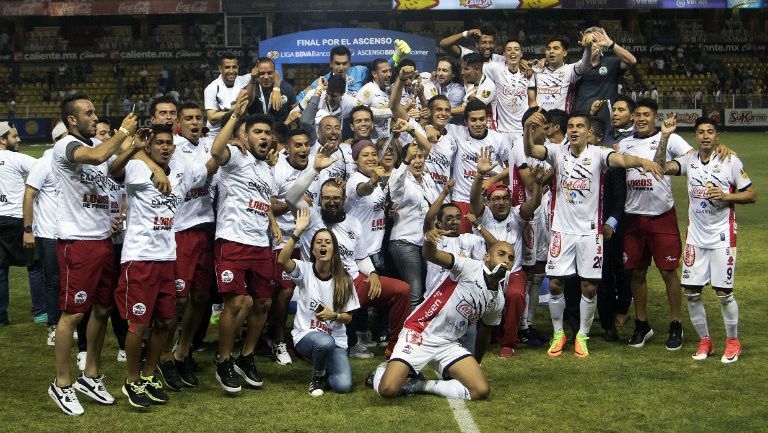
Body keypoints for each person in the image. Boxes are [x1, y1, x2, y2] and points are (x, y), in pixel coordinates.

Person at [47, 94, 162, 416]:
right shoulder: (66, 145)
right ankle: (62, 383)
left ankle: (91, 375)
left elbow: (113, 171)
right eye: (89, 113)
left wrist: (133, 145)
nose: (94, 117)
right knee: (72, 315)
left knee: (101, 309)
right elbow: (97, 157)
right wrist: (123, 133)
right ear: (72, 120)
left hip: (103, 241)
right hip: (77, 242)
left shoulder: (93, 146)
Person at [524, 109, 663, 358]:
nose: (574, 130)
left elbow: (621, 160)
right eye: (571, 126)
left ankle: (582, 336)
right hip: (562, 231)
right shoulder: (557, 152)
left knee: (589, 287)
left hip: (590, 233)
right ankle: (559, 334)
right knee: (556, 284)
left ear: (589, 133)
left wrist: (644, 162)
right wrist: (527, 130)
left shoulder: (598, 154)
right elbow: (532, 151)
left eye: (579, 126)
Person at [109, 124, 214, 408]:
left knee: (167, 321)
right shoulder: (136, 168)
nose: (165, 147)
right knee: (139, 325)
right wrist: (138, 153)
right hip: (140, 258)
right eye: (159, 143)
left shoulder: (180, 174)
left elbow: (211, 164)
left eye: (169, 143)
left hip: (168, 257)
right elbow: (114, 169)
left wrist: (233, 135)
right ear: (149, 146)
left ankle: (148, 375)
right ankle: (131, 381)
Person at [285, 151, 410, 359]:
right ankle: (339, 344)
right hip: (322, 284)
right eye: (326, 198)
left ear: (344, 199)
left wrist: (372, 274)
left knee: (402, 290)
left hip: (353, 279)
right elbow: (290, 197)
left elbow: (360, 257)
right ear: (320, 200)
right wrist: (314, 169)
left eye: (336, 198)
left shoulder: (354, 222)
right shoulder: (311, 216)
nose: (331, 202)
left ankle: (394, 347)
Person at [373, 229, 512, 401]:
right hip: (420, 332)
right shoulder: (469, 267)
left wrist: (477, 363)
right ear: (487, 257)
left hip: (448, 344)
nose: (506, 260)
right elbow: (431, 255)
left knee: (481, 390)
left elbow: (486, 331)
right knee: (388, 389)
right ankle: (381, 369)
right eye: (501, 254)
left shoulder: (498, 299)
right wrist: (429, 241)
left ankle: (419, 385)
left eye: (511, 258)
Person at [617, 99, 710, 350]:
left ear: (655, 117)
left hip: (661, 215)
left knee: (668, 272)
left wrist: (723, 151)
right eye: (637, 115)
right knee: (636, 272)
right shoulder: (625, 143)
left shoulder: (670, 138)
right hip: (633, 217)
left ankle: (676, 323)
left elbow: (696, 155)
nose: (641, 118)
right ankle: (642, 324)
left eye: (646, 114)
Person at [661, 117, 755, 364]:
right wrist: (665, 136)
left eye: (710, 132)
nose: (705, 136)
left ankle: (733, 342)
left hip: (722, 235)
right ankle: (705, 341)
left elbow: (751, 194)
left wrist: (726, 196)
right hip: (696, 237)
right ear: (695, 136)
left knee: (723, 292)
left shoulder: (730, 160)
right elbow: (661, 166)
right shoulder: (689, 161)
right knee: (692, 292)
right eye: (701, 132)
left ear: (717, 136)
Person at [209, 93, 281, 394]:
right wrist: (235, 116)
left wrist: (274, 222)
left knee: (263, 302)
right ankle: (223, 359)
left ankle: (246, 355)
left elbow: (266, 203)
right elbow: (215, 150)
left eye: (267, 133)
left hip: (260, 244)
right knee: (236, 302)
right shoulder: (236, 157)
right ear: (246, 136)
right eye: (258, 132)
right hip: (232, 241)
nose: (263, 137)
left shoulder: (269, 170)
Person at [160, 101, 217, 389]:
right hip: (180, 231)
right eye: (189, 118)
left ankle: (184, 351)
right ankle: (164, 355)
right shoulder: (175, 149)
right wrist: (217, 159)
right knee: (178, 299)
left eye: (199, 117)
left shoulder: (208, 144)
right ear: (179, 123)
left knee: (200, 297)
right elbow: (199, 176)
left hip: (206, 228)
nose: (195, 122)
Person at [469, 148, 545, 357]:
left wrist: (537, 185)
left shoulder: (517, 213)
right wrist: (479, 175)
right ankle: (484, 335)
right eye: (496, 199)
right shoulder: (482, 214)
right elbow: (474, 198)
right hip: (485, 271)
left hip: (514, 272)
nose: (501, 202)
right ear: (488, 202)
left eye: (505, 198)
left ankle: (508, 342)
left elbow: (534, 203)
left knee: (516, 295)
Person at [278, 208, 360, 396]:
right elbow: (282, 259)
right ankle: (318, 376)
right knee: (324, 343)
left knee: (343, 386)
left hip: (337, 341)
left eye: (328, 242)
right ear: (313, 249)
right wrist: (297, 232)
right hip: (306, 335)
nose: (323, 245)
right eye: (319, 242)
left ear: (334, 249)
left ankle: (326, 365)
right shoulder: (304, 270)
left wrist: (334, 315)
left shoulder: (344, 278)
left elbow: (348, 318)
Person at [270, 128, 314, 365]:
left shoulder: (315, 165)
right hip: (285, 239)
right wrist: (293, 203)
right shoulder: (279, 170)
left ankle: (305, 336)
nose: (303, 149)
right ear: (287, 147)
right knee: (285, 291)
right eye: (298, 145)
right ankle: (278, 340)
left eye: (306, 144)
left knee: (310, 291)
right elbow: (269, 206)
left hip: (311, 240)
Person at [23, 122, 68, 344]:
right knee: (53, 281)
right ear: (59, 139)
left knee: (68, 281)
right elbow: (29, 194)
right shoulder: (44, 163)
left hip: (70, 232)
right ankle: (53, 326)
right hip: (49, 233)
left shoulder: (71, 163)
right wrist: (28, 230)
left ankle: (66, 323)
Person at [386, 129, 440, 309]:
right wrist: (405, 161)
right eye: (413, 158)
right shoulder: (400, 178)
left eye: (420, 157)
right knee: (415, 291)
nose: (418, 161)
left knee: (429, 288)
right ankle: (407, 334)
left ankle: (422, 331)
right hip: (405, 242)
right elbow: (394, 189)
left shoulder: (428, 179)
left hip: (425, 241)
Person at [0, 121, 45, 328]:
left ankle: (1, 317)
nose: (19, 139)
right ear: (2, 139)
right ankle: (40, 313)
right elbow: (44, 168)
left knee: (0, 270)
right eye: (14, 136)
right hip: (17, 220)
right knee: (34, 265)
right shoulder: (15, 158)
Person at [447, 99, 506, 234]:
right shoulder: (456, 131)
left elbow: (511, 168)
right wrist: (429, 127)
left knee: (486, 246)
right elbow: (435, 121)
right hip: (461, 200)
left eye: (482, 119)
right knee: (463, 246)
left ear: (487, 119)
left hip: (488, 203)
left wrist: (491, 181)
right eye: (473, 120)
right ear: (466, 122)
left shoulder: (498, 139)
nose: (478, 124)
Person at [296, 42, 409, 102]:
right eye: (337, 63)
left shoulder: (360, 71)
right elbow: (299, 98)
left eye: (345, 63)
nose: (341, 67)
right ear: (330, 64)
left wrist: (396, 57)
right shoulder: (321, 81)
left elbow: (379, 71)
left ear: (350, 63)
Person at [572, 27, 637, 125]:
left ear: (601, 44)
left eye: (595, 41)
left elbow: (632, 61)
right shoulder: (575, 67)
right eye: (589, 42)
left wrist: (610, 44)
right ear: (583, 44)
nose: (592, 45)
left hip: (606, 123)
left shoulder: (611, 63)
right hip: (582, 122)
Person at [534, 36, 593, 112]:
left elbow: (584, 64)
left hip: (561, 119)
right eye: (548, 49)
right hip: (540, 119)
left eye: (556, 48)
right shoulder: (536, 71)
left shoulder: (571, 70)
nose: (551, 51)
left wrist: (588, 49)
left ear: (564, 53)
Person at [203, 53, 254, 135]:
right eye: (227, 67)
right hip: (216, 134)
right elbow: (211, 117)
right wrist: (235, 109)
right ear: (220, 69)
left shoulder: (244, 80)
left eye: (234, 67)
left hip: (238, 133)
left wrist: (276, 88)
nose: (231, 71)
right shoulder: (211, 88)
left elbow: (272, 73)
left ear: (238, 67)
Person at [247, 57, 296, 127]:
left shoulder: (287, 88)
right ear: (256, 73)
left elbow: (294, 112)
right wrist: (253, 80)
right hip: (257, 133)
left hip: (281, 134)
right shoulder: (251, 87)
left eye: (270, 73)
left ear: (275, 73)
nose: (266, 77)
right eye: (262, 73)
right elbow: (248, 103)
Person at [439, 25, 506, 64]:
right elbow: (443, 44)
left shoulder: (501, 60)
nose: (487, 46)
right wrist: (466, 33)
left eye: (490, 43)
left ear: (494, 45)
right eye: (484, 42)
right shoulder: (468, 56)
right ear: (477, 45)